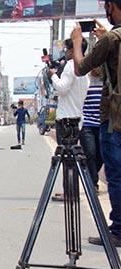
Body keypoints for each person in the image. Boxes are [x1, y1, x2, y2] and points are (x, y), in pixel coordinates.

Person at [71, 3, 121, 246]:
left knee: (116, 175)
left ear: (112, 6)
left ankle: (119, 230)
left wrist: (78, 42)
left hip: (114, 121)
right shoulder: (111, 39)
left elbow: (82, 68)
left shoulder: (111, 39)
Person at [48, 37, 89, 145]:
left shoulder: (70, 66)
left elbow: (62, 88)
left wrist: (53, 76)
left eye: (66, 49)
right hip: (78, 117)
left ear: (72, 51)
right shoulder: (85, 67)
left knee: (65, 154)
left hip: (66, 119)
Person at [79, 68, 104, 193]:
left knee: (102, 155)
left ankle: (90, 174)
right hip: (87, 123)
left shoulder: (106, 81)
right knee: (90, 152)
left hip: (103, 123)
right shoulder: (84, 81)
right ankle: (93, 183)